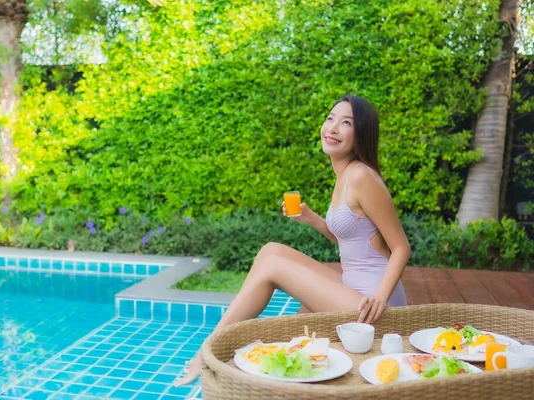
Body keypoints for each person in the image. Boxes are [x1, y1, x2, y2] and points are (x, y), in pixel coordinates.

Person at [174, 95, 410, 387]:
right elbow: (353, 240)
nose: (333, 127)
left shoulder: (361, 176)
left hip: (371, 308)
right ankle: (214, 344)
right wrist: (312, 219)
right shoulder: (345, 176)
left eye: (346, 123)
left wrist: (380, 299)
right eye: (330, 118)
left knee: (273, 265)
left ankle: (208, 350)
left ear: (360, 133)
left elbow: (401, 247)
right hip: (353, 289)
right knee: (270, 250)